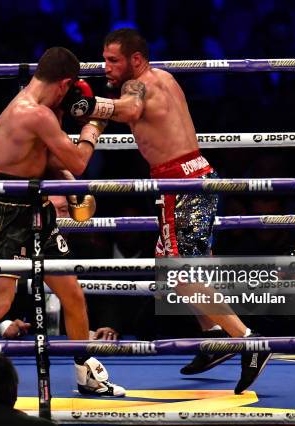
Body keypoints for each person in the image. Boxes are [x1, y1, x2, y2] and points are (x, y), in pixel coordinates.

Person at [60, 28, 269, 394]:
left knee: (180, 274)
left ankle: (249, 341)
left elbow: (131, 108)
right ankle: (215, 335)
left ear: (136, 60)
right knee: (171, 264)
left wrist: (92, 108)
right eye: (105, 59)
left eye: (113, 60)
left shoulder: (136, 87)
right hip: (193, 176)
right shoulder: (164, 78)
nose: (105, 67)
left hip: (181, 186)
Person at [0, 47, 125, 411]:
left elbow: (45, 158)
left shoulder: (35, 108)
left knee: (73, 294)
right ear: (64, 84)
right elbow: (80, 161)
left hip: (35, 206)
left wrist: (62, 182)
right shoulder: (33, 113)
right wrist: (94, 125)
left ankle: (84, 371)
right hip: (5, 211)